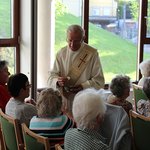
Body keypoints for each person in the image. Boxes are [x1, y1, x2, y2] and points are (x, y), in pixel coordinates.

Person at [48, 24, 104, 112]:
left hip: (85, 102)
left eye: (76, 41)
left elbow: (99, 81)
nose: (72, 45)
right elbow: (52, 77)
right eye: (69, 40)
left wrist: (83, 86)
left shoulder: (91, 54)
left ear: (83, 39)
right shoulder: (61, 54)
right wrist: (58, 81)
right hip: (66, 102)